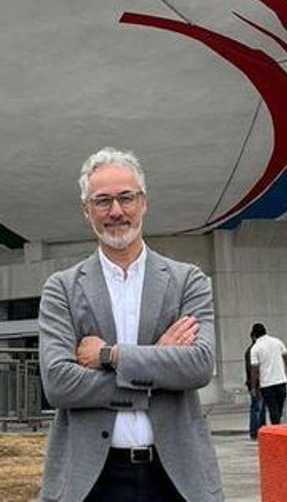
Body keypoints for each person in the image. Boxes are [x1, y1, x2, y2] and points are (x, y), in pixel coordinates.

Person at [38, 147, 223, 501]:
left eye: (126, 198)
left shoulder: (188, 281)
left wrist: (111, 355)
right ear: (86, 210)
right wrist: (159, 364)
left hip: (176, 479)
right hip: (92, 480)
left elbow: (199, 366)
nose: (116, 211)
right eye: (103, 201)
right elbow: (59, 384)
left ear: (144, 202)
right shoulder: (61, 287)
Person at [248, 323, 287, 427]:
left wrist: (253, 387)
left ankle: (277, 431)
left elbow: (254, 370)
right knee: (282, 408)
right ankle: (285, 429)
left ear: (254, 335)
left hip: (267, 384)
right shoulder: (277, 342)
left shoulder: (255, 348)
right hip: (281, 381)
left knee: (273, 409)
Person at [245, 331, 266, 440]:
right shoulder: (254, 350)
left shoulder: (253, 349)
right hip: (257, 384)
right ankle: (255, 431)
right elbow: (253, 370)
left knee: (260, 408)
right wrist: (254, 386)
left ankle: (259, 430)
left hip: (257, 384)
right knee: (257, 408)